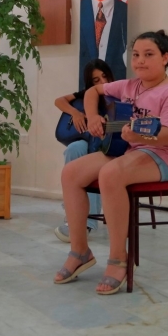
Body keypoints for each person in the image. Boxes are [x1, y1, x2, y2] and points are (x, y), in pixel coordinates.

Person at [53, 30, 168, 295]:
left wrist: (138, 136)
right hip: (126, 150)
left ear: (165, 58)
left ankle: (118, 259)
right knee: (71, 173)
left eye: (148, 54)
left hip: (160, 158)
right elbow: (93, 91)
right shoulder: (129, 86)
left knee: (110, 173)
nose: (140, 61)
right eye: (136, 55)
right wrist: (93, 117)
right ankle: (80, 251)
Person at [53, 59, 115, 242]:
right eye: (96, 80)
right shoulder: (88, 94)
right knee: (74, 148)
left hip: (108, 147)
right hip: (88, 142)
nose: (102, 82)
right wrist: (76, 113)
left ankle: (87, 223)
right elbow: (59, 101)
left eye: (104, 76)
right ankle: (73, 215)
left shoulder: (119, 93)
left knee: (91, 159)